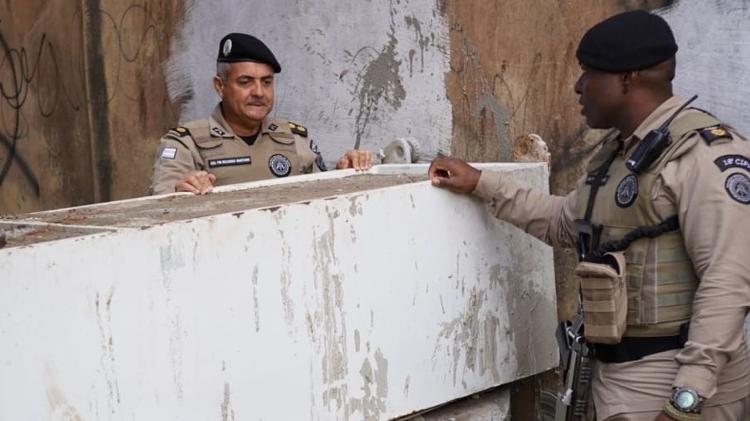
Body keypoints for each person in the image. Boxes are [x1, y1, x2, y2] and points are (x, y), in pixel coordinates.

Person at [429, 10, 750, 421]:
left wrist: (686, 399)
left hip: (673, 386)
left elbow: (727, 282)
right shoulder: (624, 154)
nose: (578, 87)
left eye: (588, 74)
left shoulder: (704, 156)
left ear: (627, 79)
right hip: (617, 380)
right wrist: (480, 183)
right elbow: (565, 222)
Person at [149, 33, 373, 195]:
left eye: (266, 82)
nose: (258, 92)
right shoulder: (186, 144)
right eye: (245, 82)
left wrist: (345, 171)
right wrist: (181, 190)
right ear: (220, 86)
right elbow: (160, 203)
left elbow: (322, 194)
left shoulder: (293, 138)